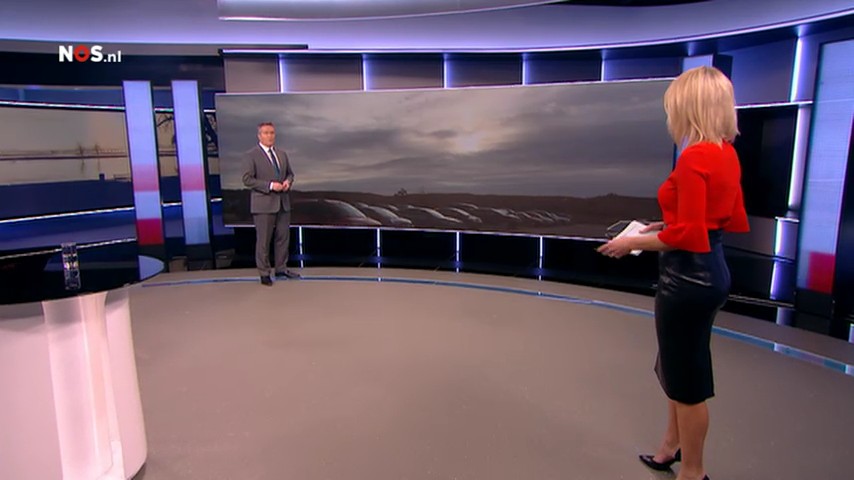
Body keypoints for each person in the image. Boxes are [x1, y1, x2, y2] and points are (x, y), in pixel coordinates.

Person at [596, 66, 749, 480]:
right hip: (710, 269)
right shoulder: (724, 153)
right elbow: (710, 219)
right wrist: (661, 226)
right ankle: (670, 447)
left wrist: (631, 242)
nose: (670, 116)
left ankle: (693, 471)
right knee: (679, 369)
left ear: (690, 107)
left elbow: (688, 235)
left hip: (688, 278)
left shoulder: (696, 156)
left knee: (688, 382)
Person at [242, 122, 300, 286]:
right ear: (259, 136)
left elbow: (290, 174)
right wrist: (270, 185)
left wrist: (288, 182)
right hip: (263, 204)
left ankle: (281, 268)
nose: (270, 136)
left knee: (283, 238)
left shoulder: (282, 154)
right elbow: (247, 179)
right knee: (264, 240)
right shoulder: (251, 155)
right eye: (266, 133)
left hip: (283, 203)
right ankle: (264, 273)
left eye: (272, 133)